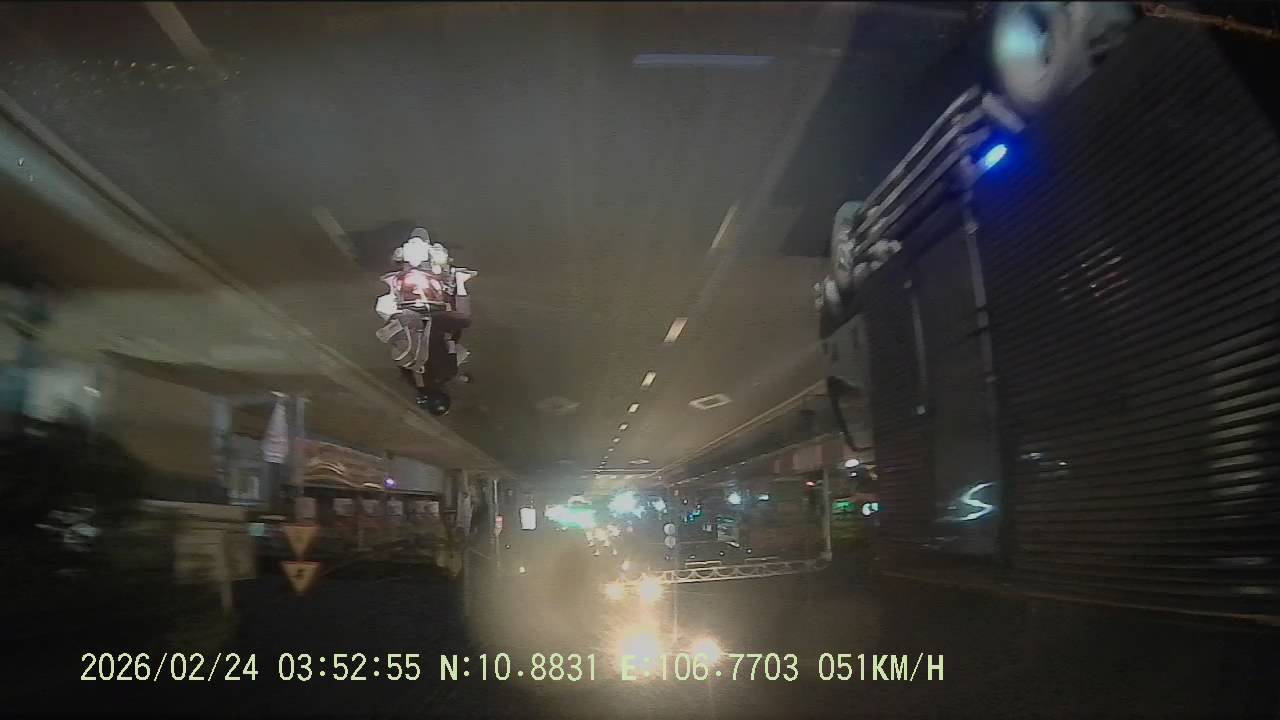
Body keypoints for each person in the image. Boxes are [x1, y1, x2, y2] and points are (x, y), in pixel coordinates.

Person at [374, 228, 477, 414]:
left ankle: (461, 280)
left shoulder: (447, 373)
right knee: (391, 308)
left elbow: (455, 347)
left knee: (464, 320)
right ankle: (392, 285)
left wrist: (458, 370)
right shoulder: (414, 379)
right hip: (408, 320)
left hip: (434, 322)